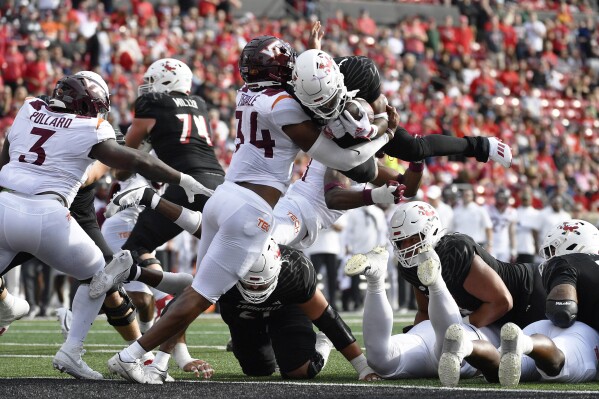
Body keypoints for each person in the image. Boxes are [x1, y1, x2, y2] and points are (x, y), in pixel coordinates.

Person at [104, 35, 398, 383]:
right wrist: (386, 133)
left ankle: (160, 362)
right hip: (252, 209)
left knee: (196, 288)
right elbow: (342, 158)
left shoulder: (249, 93)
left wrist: (316, 50)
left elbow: (300, 84)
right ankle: (131, 356)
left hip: (224, 196)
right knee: (199, 296)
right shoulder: (286, 104)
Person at [0, 73, 212, 379]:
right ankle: (71, 349)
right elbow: (136, 161)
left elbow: (6, 158)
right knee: (101, 274)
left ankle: (10, 305)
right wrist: (183, 179)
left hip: (6, 206)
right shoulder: (91, 127)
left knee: (105, 273)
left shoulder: (28, 108)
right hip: (47, 213)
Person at [293, 22, 513, 173]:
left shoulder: (359, 71)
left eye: (329, 99)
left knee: (414, 149)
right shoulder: (297, 90)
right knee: (361, 171)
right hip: (331, 142)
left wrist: (377, 132)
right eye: (320, 103)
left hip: (368, 122)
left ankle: (483, 146)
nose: (327, 107)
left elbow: (381, 112)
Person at [116, 58, 226, 326]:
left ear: (167, 82)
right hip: (220, 184)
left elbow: (125, 163)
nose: (148, 89)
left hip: (185, 186)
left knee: (135, 249)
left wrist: (139, 145)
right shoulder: (200, 104)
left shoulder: (152, 104)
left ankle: (172, 293)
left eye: (152, 83)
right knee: (224, 261)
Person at [437, 219, 599, 387]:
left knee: (499, 369)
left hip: (540, 326)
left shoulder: (566, 263)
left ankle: (465, 347)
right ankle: (524, 343)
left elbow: (562, 310)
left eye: (552, 251)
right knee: (557, 363)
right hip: (574, 331)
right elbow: (563, 313)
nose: (549, 258)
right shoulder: (575, 262)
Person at [220, 237, 377, 380]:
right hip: (245, 316)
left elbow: (327, 318)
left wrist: (362, 365)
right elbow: (196, 303)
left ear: (277, 269)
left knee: (300, 371)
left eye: (262, 284)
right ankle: (269, 346)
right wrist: (193, 357)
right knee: (257, 369)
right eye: (249, 285)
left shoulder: (295, 270)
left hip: (285, 308)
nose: (255, 290)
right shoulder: (220, 269)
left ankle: (322, 342)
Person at [343, 244, 499, 380]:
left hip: (428, 331)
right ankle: (435, 282)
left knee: (381, 362)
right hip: (462, 333)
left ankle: (376, 280)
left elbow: (503, 302)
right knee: (450, 351)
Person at [390, 201, 546, 330]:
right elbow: (425, 312)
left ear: (430, 230)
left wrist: (459, 329)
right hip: (495, 315)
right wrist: (419, 337)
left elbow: (502, 301)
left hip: (528, 295)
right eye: (400, 242)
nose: (405, 248)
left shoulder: (454, 253)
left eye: (412, 239)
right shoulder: (410, 266)